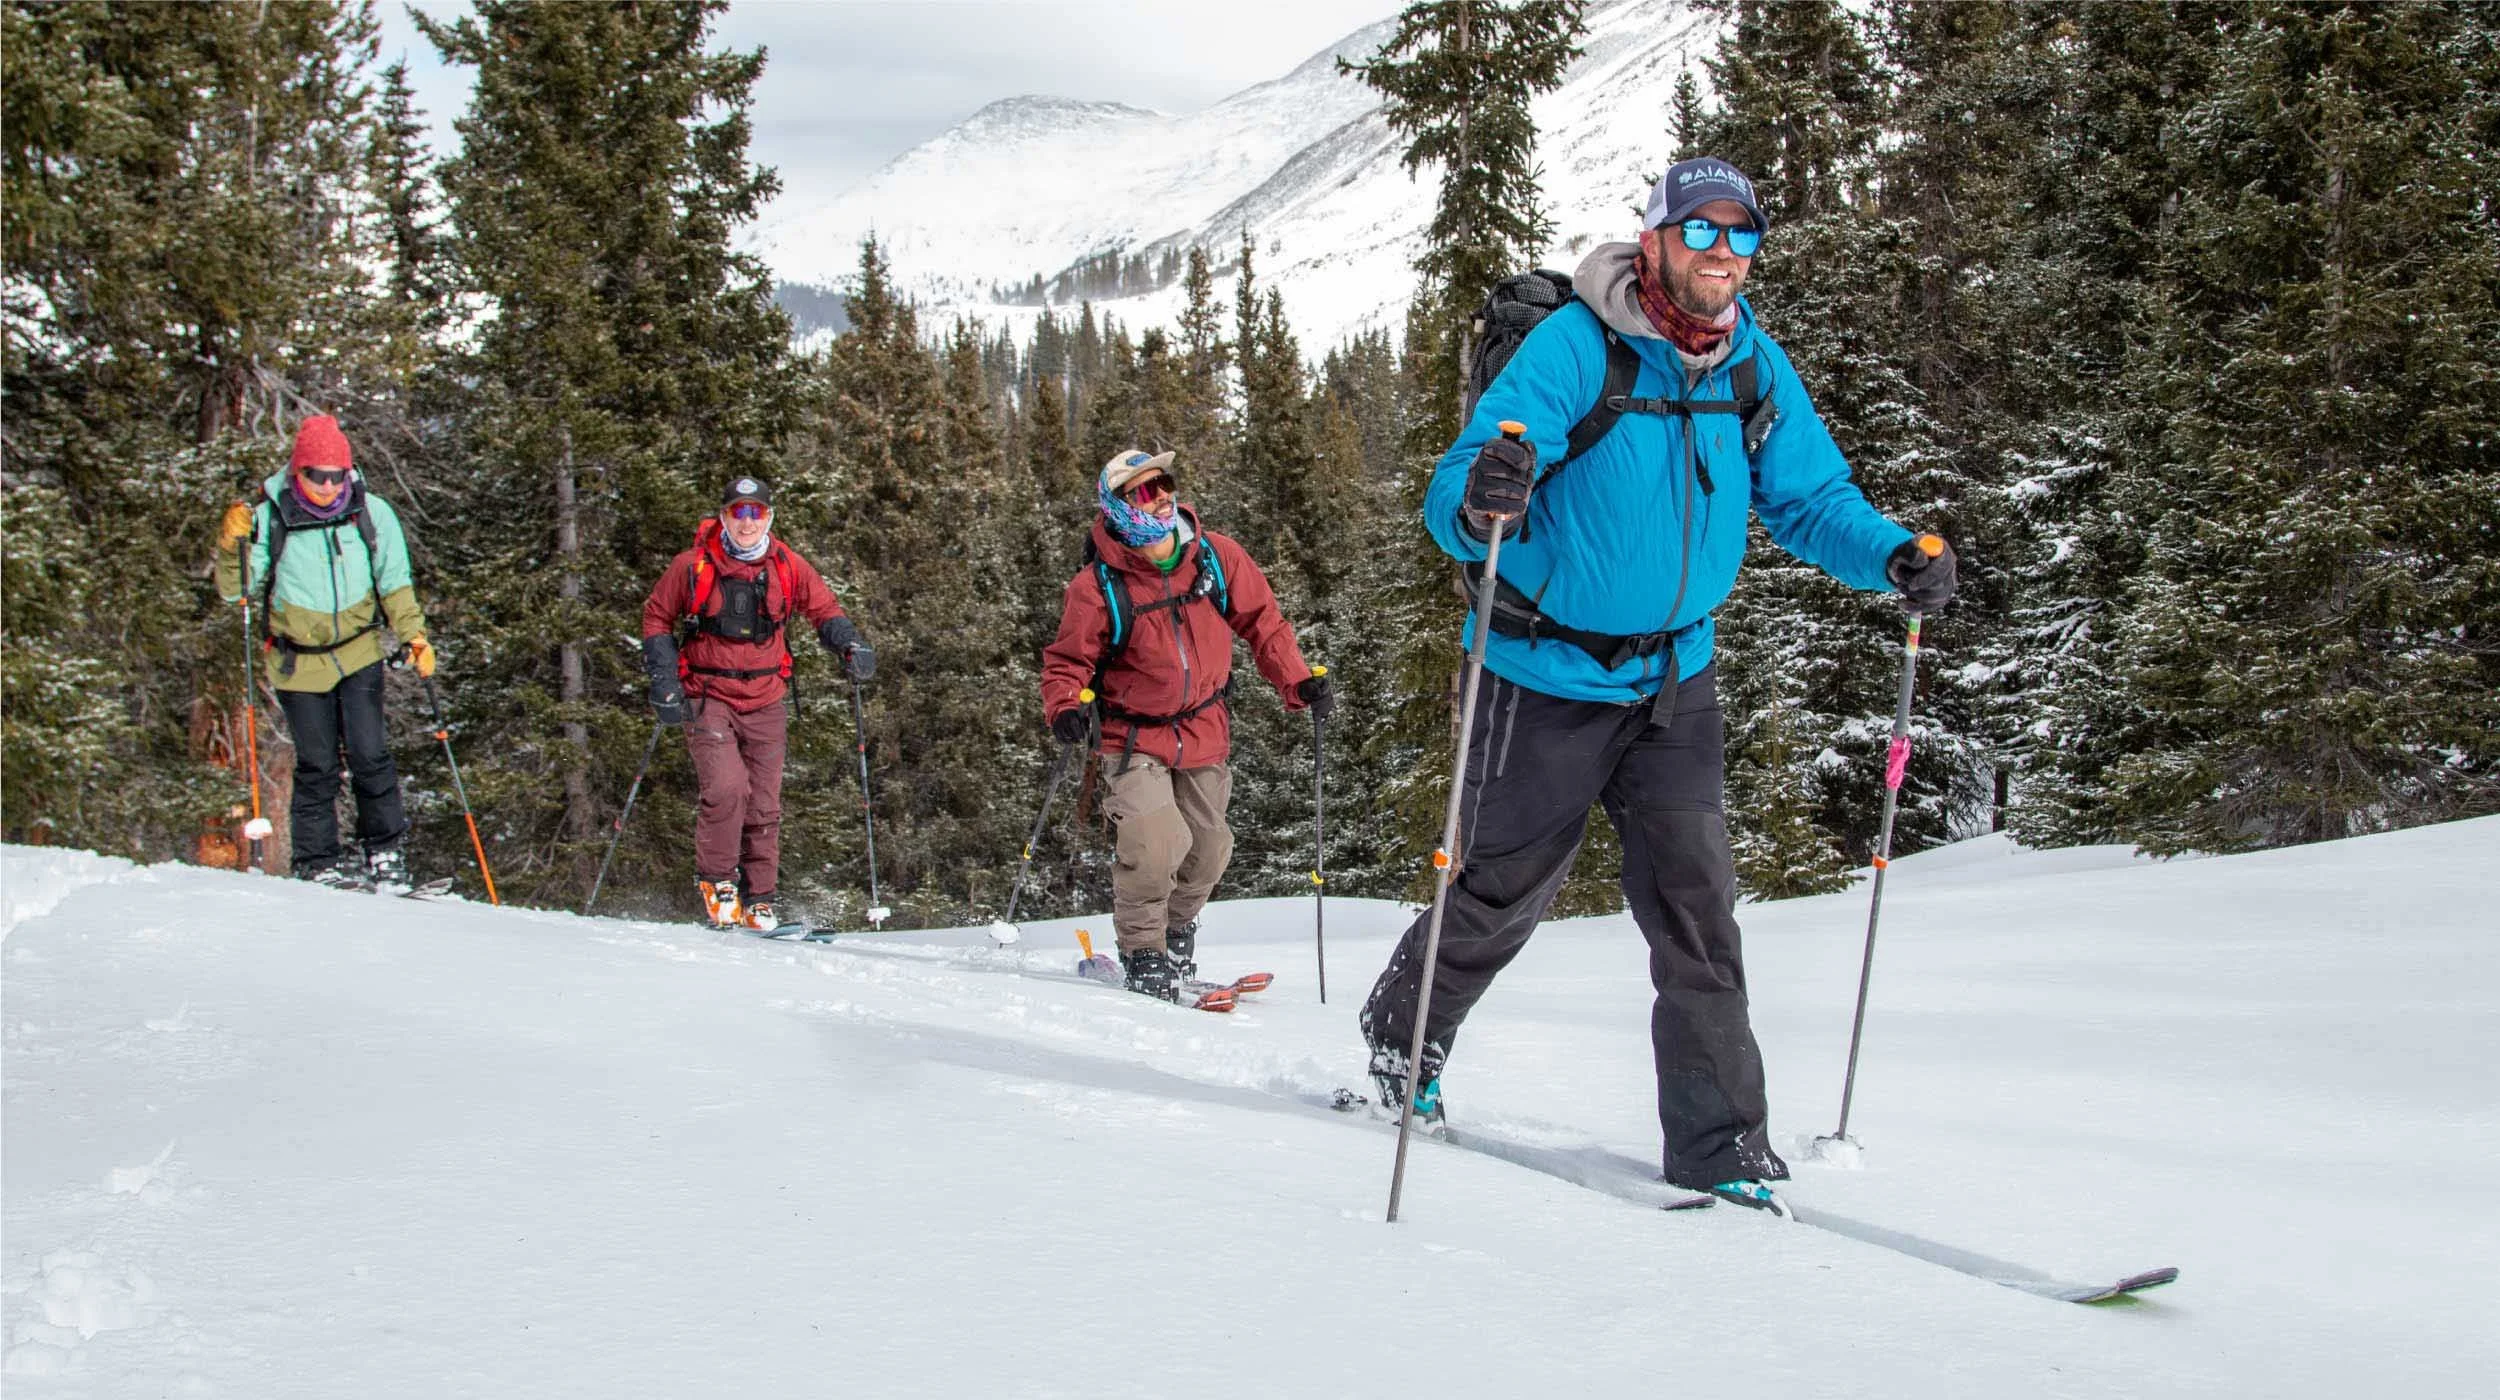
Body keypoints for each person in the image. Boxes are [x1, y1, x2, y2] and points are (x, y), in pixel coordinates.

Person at [1358, 157, 1959, 1212]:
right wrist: (1486, 496)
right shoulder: (1573, 346)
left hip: (1676, 677)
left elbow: (1810, 495)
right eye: (1702, 232)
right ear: (1656, 240)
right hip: (1541, 673)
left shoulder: (1749, 364)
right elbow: (1458, 485)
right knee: (1500, 890)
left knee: (1696, 908)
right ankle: (1402, 1039)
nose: (1723, 254)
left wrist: (1892, 554)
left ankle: (1723, 1147)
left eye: (1742, 236)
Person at [1039, 449, 1332, 1002]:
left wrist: (1297, 683)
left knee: (1209, 847)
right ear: (1119, 507)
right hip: (1132, 736)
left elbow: (1264, 626)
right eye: (1145, 491)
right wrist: (1065, 706)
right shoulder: (1096, 586)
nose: (1162, 497)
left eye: (1165, 484)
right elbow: (1067, 662)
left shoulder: (1217, 558)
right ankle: (1144, 950)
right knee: (1155, 842)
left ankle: (1176, 933)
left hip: (1203, 728)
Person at [639, 476, 873, 932]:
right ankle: (719, 883)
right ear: (725, 516)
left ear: (769, 517)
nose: (747, 522)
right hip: (707, 694)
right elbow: (657, 616)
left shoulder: (786, 564)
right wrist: (664, 679)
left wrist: (851, 645)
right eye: (738, 512)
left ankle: (759, 898)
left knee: (765, 802)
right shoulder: (694, 565)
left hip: (767, 696)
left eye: (757, 513)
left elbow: (824, 609)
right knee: (727, 789)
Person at [214, 415, 434, 892]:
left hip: (358, 653)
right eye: (317, 475)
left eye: (337, 475)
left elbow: (395, 583)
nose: (328, 485)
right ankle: (317, 861)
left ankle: (385, 854)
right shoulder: (270, 518)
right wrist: (231, 545)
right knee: (317, 763)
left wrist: (414, 636)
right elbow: (239, 593)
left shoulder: (370, 513)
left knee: (370, 753)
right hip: (298, 661)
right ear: (298, 472)